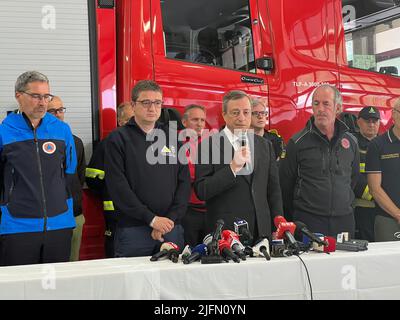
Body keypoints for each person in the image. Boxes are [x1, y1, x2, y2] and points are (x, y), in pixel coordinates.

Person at [104, 80, 190, 257]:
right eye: (146, 102)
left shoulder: (172, 137)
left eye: (157, 103)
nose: (152, 108)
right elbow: (118, 187)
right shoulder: (118, 139)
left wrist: (168, 220)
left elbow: (184, 182)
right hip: (134, 231)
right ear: (133, 105)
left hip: (171, 229)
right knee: (134, 284)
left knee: (172, 283)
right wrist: (152, 219)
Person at [0, 71, 77, 266]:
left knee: (54, 288)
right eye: (36, 96)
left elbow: (70, 171)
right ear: (19, 95)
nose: (42, 102)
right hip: (17, 226)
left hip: (60, 224)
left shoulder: (61, 130)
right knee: (19, 290)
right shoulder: (4, 131)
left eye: (46, 96)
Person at [194, 90, 283, 241]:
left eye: (246, 112)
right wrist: (232, 168)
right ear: (224, 115)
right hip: (226, 233)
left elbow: (273, 190)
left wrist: (278, 225)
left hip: (262, 231)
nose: (242, 118)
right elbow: (202, 190)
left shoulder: (265, 145)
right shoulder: (208, 145)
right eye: (235, 112)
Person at [280, 84, 360, 238]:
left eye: (326, 104)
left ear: (338, 108)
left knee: (345, 263)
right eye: (316, 104)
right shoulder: (297, 142)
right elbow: (285, 185)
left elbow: (353, 179)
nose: (320, 109)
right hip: (308, 221)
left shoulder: (351, 142)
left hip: (344, 220)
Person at [85, 101, 134, 258]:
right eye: (129, 120)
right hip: (116, 212)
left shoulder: (147, 145)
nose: (133, 124)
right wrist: (110, 191)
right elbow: (93, 178)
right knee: (116, 252)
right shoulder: (108, 144)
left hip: (142, 213)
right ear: (120, 121)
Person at [47, 96, 86, 261]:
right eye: (52, 111)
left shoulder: (76, 142)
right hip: (46, 219)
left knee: (71, 266)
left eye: (60, 110)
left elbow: (78, 177)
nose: (58, 114)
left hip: (73, 216)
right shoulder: (32, 143)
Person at [366, 99, 400, 242]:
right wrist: (398, 215)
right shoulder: (377, 145)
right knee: (389, 264)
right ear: (393, 114)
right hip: (388, 219)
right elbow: (375, 188)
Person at [181, 104, 207, 247]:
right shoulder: (178, 143)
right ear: (184, 122)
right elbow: (186, 174)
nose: (199, 124)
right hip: (188, 212)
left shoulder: (212, 143)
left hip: (210, 211)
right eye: (195, 120)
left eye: (202, 120)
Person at [353, 106, 380, 241]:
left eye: (375, 121)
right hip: (362, 209)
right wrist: (376, 194)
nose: (371, 124)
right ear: (358, 122)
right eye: (367, 121)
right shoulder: (352, 145)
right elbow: (353, 177)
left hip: (385, 209)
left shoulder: (386, 144)